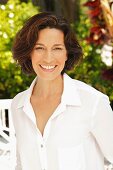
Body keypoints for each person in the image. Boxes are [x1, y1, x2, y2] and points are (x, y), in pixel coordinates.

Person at [11, 12, 113, 170]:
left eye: (57, 48)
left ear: (67, 53)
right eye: (39, 48)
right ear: (28, 52)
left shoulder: (93, 103)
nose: (48, 58)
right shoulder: (18, 105)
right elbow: (21, 164)